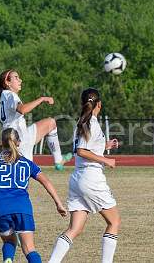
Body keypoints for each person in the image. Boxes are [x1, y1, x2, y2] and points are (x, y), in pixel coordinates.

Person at [48, 88, 120, 263]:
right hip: (91, 179)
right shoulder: (91, 123)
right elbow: (81, 151)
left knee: (75, 229)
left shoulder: (82, 122)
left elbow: (85, 147)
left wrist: (105, 145)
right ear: (99, 105)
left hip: (78, 180)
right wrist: (106, 160)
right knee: (114, 222)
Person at [0, 128, 67, 263]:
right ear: (18, 143)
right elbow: (46, 182)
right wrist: (58, 203)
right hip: (22, 208)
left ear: (1, 143)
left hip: (0, 207)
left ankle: (8, 259)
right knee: (29, 249)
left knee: (9, 240)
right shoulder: (27, 163)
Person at [0, 69, 72, 170]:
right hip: (19, 140)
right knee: (25, 174)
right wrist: (41, 99)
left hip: (21, 135)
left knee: (51, 123)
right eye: (16, 78)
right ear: (7, 82)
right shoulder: (10, 94)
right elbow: (23, 109)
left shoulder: (5, 95)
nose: (20, 80)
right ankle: (57, 161)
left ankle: (59, 160)